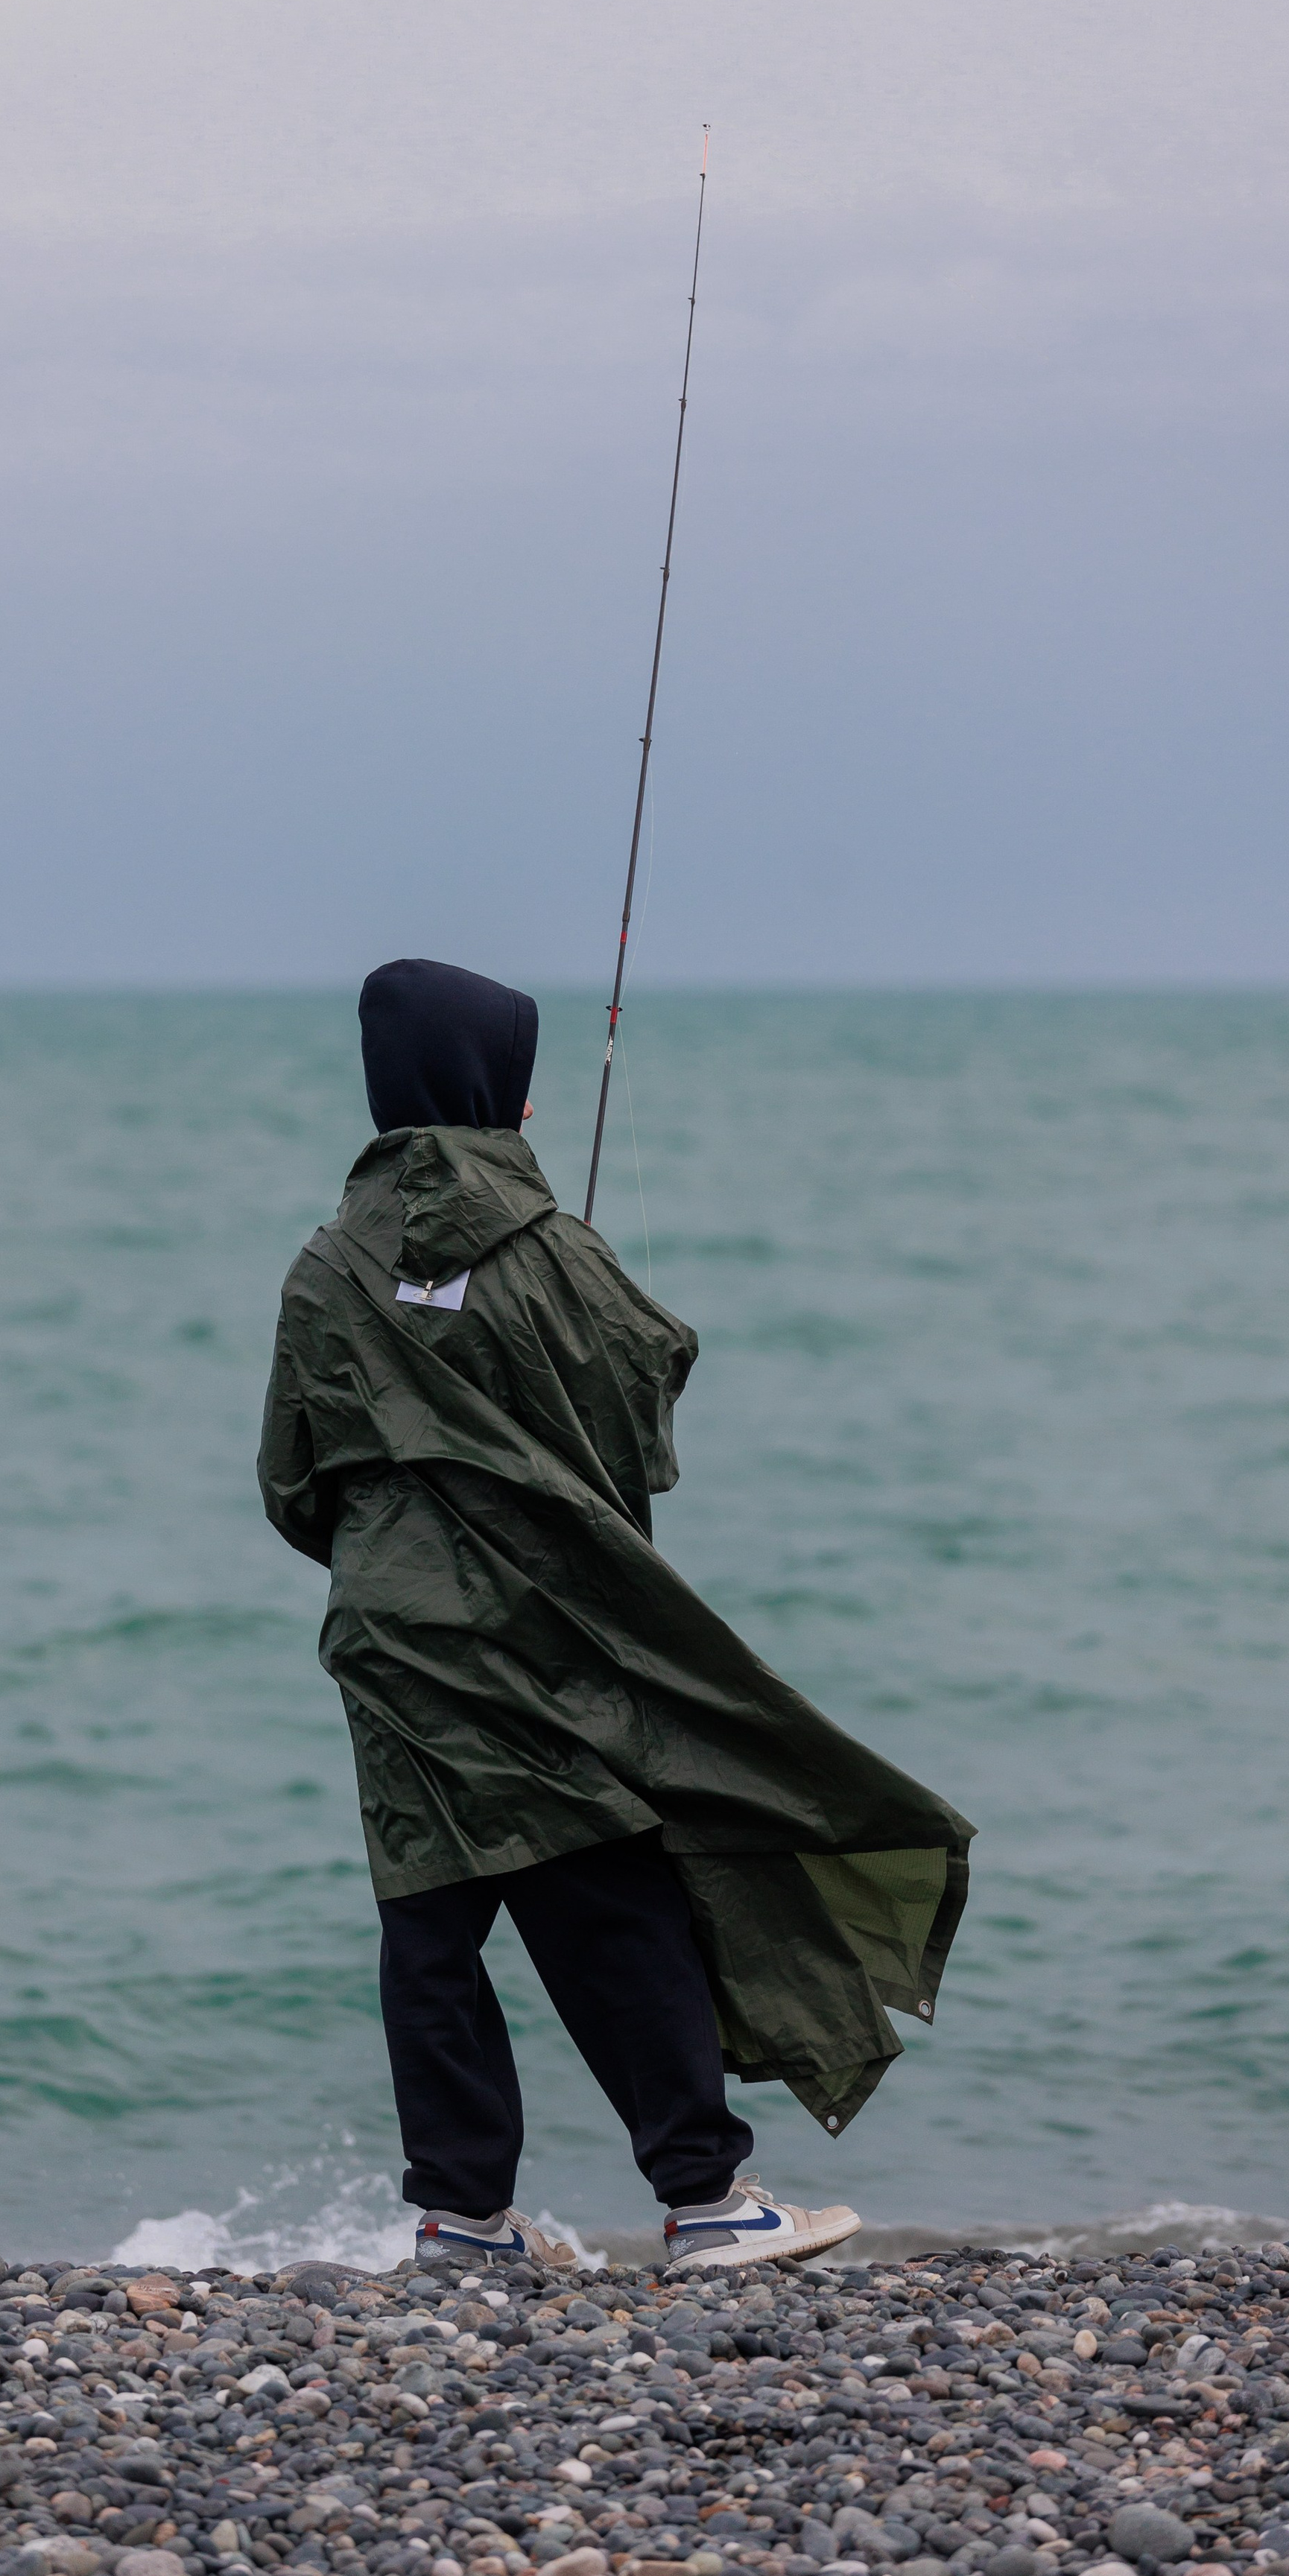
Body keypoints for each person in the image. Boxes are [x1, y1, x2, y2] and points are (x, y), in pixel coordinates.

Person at [258, 957, 973, 2279]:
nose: (530, 1106)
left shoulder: (324, 1266)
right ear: (492, 1085)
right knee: (609, 1896)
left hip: (390, 1637)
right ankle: (704, 2199)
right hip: (547, 1635)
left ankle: (461, 2223)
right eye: (516, 1079)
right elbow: (641, 1440)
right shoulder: (558, 1252)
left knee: (430, 1923)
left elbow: (293, 1484)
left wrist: (395, 1564)